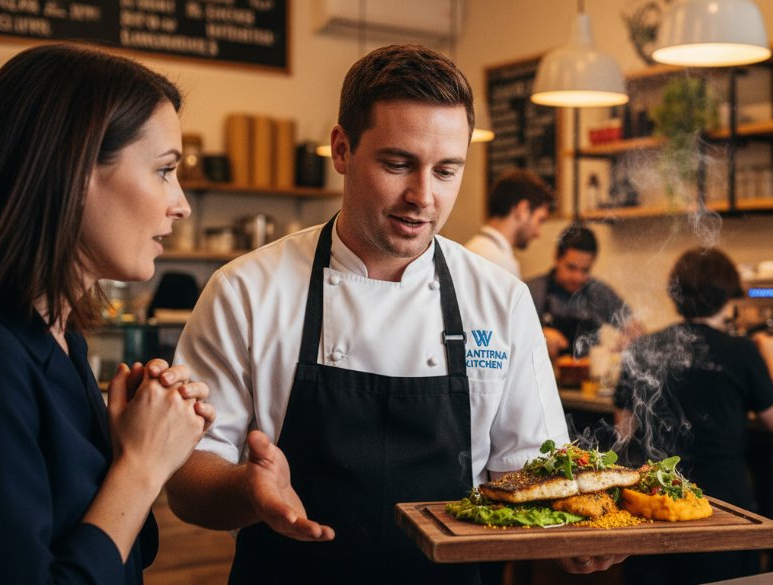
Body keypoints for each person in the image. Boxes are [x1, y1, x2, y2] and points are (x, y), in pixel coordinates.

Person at [165, 44, 619, 583]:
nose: (422, 197)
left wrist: (572, 533)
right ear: (341, 149)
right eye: (397, 163)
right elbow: (188, 479)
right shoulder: (245, 290)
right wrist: (247, 490)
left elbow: (528, 470)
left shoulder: (500, 299)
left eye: (446, 171)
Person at [0, 43, 215, 584]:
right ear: (73, 169)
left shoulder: (63, 337)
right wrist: (142, 468)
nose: (180, 203)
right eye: (164, 171)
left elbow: (126, 549)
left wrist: (126, 447)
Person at [613, 246, 773, 585]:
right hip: (720, 507)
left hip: (651, 502)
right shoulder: (740, 351)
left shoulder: (643, 347)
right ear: (728, 298)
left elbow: (623, 428)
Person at [526, 224, 643, 359]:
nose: (578, 277)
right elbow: (509, 336)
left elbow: (635, 328)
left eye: (585, 270)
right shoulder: (532, 291)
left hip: (589, 378)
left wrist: (631, 338)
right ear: (557, 259)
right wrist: (537, 337)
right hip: (543, 376)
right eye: (571, 268)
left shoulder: (599, 293)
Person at [464, 168, 554, 278]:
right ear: (523, 209)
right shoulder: (499, 261)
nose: (538, 233)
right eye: (540, 220)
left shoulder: (474, 248)